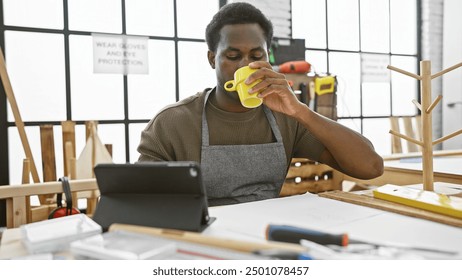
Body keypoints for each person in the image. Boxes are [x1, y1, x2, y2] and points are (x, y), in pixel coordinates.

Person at [137, 2, 383, 206]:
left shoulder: (287, 118)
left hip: (266, 238)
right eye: (233, 57)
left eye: (256, 56)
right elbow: (138, 201)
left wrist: (300, 111)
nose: (246, 66)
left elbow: (371, 167)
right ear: (212, 59)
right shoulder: (173, 123)